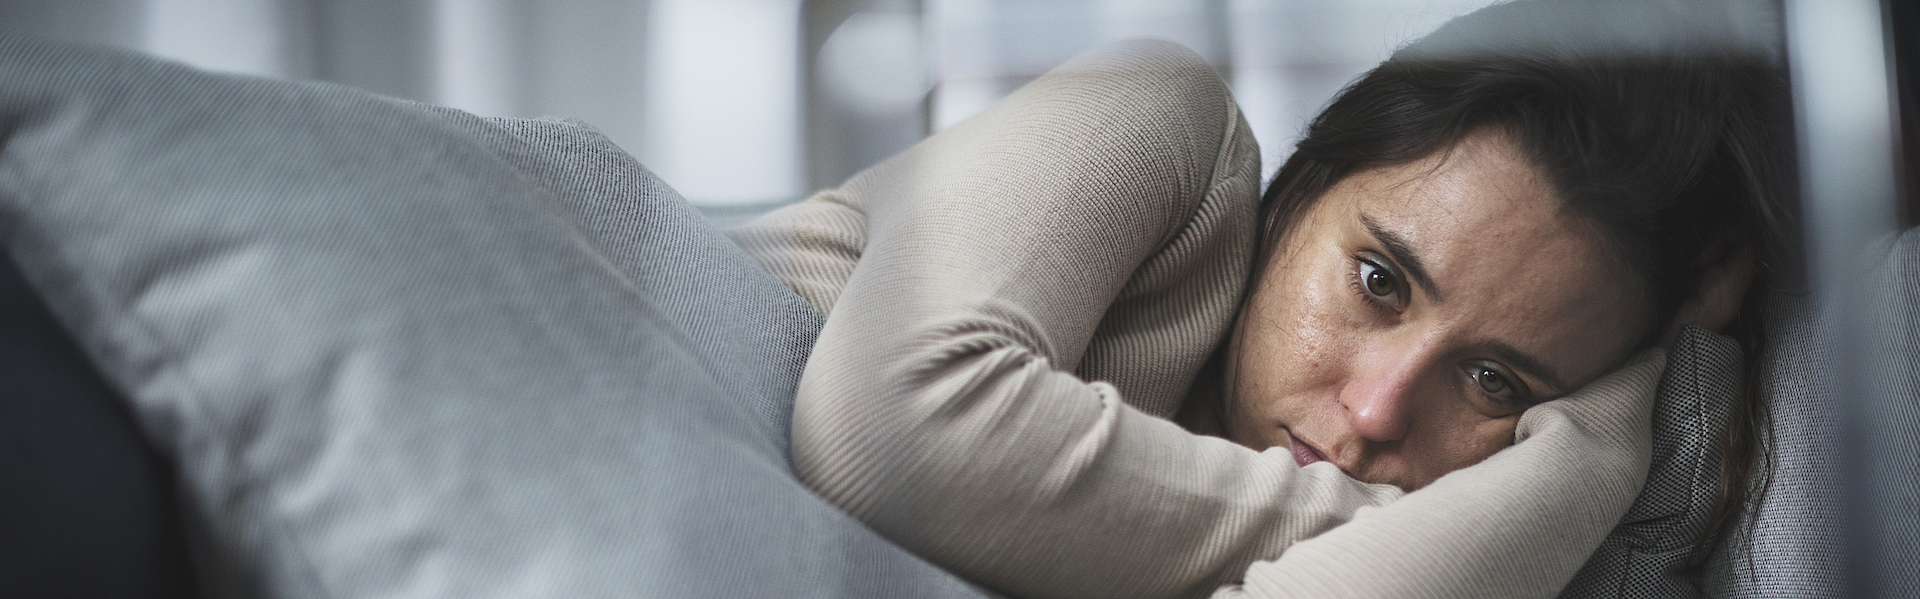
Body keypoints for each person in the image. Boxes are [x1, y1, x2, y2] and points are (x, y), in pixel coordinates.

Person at [729, 2, 1789, 597]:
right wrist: (1396, 519)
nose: (1376, 411)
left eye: (1494, 379)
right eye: (1379, 281)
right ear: (1301, 192)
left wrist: (1604, 438)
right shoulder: (1160, 118)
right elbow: (891, 435)